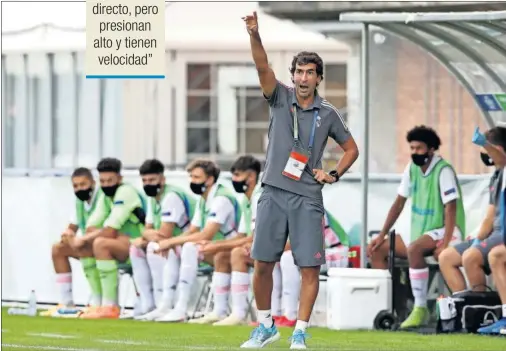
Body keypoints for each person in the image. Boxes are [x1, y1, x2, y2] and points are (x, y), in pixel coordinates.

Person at [240, 12, 359, 349]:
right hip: (273, 192)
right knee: (262, 262)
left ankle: (300, 332)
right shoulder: (279, 96)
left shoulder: (328, 112)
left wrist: (333, 174)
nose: (303, 77)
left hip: (307, 196)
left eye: (310, 72)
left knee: (308, 266)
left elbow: (351, 149)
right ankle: (266, 325)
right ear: (292, 76)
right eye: (298, 71)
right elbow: (262, 68)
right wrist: (255, 35)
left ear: (318, 78)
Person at [367, 125, 465, 329]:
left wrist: (446, 244)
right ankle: (390, 306)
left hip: (445, 230)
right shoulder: (411, 169)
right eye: (411, 148)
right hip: (422, 232)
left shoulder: (443, 170)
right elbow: (398, 203)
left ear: (431, 149)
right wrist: (382, 234)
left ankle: (421, 308)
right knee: (378, 249)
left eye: (419, 148)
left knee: (414, 249)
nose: (414, 152)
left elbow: (451, 209)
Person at [153, 159, 242, 322]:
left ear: (209, 179)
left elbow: (205, 235)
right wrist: (171, 243)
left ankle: (182, 307)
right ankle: (165, 304)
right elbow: (193, 230)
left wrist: (169, 241)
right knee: (178, 248)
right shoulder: (203, 198)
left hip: (229, 248)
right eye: (191, 177)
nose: (192, 182)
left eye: (196, 177)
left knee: (187, 247)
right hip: (212, 249)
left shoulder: (221, 199)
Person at [186, 155, 264, 325]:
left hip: (275, 248)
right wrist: (217, 246)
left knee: (236, 253)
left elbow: (253, 237)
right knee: (221, 255)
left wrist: (214, 244)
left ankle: (239, 313)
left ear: (251, 177)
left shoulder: (259, 196)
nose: (234, 180)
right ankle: (219, 311)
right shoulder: (246, 199)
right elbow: (242, 236)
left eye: (237, 176)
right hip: (258, 247)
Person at [77, 158, 147, 319]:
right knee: (85, 245)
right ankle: (97, 303)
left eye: (110, 180)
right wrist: (100, 234)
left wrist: (105, 233)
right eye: (103, 181)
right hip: (122, 243)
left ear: (119, 179)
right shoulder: (105, 195)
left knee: (101, 243)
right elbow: (91, 226)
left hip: (140, 245)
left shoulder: (125, 192)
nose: (106, 184)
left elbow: (109, 230)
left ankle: (110, 306)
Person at [439, 127, 506, 294]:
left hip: (502, 235)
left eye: (485, 150)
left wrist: (485, 143)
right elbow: (489, 217)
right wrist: (478, 237)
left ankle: (482, 306)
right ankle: (464, 307)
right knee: (446, 257)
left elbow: (503, 160)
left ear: (496, 150)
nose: (484, 154)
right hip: (493, 234)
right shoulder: (496, 176)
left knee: (470, 256)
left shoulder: (504, 169)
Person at [130, 159, 196, 321]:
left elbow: (164, 234)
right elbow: (147, 230)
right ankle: (150, 304)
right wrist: (149, 235)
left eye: (152, 180)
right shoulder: (153, 198)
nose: (147, 184)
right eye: (144, 181)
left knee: (155, 247)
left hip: (190, 245)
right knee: (136, 248)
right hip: (175, 244)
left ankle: (165, 304)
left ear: (162, 180)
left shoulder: (171, 196)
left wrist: (150, 236)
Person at [40, 168, 104, 317]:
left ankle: (98, 301)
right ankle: (66, 303)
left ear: (93, 183)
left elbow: (104, 229)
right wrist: (68, 236)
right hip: (87, 245)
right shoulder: (79, 202)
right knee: (58, 249)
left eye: (83, 184)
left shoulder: (102, 198)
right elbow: (71, 227)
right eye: (75, 186)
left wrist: (78, 239)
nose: (79, 189)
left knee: (85, 246)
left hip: (105, 246)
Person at [279, 210, 350, 327]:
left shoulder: (313, 207)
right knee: (277, 258)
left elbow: (305, 241)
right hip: (318, 251)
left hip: (340, 253)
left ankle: (290, 316)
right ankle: (276, 314)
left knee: (288, 257)